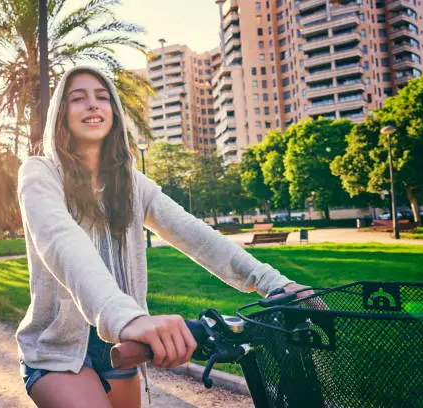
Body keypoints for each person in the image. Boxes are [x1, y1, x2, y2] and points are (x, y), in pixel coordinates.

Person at [16, 65, 310, 408]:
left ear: (114, 111)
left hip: (121, 347)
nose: (93, 105)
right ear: (60, 115)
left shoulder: (131, 184)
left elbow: (196, 235)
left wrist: (272, 282)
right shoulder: (40, 174)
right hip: (59, 347)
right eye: (77, 99)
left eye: (102, 97)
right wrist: (127, 318)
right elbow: (63, 244)